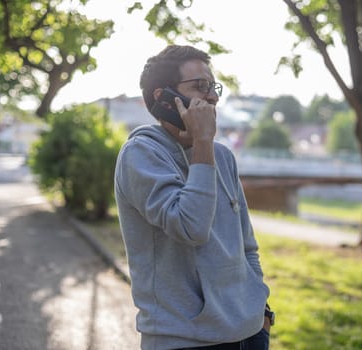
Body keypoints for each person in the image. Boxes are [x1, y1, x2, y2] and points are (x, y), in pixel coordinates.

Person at [114, 45, 274, 350]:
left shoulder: (223, 156)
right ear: (164, 99)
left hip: (251, 333)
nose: (212, 96)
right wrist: (202, 140)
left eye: (213, 86)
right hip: (184, 340)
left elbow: (246, 245)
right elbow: (191, 227)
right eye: (200, 86)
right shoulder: (141, 154)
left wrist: (259, 306)